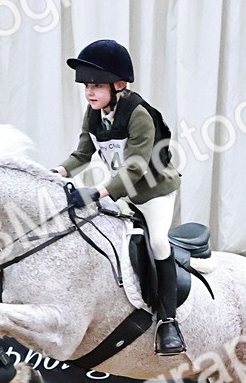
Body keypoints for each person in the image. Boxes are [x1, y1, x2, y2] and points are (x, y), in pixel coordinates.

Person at [53, 39, 186, 356]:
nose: (89, 92)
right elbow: (82, 153)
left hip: (153, 193)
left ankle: (168, 321)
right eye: (87, 86)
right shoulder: (94, 113)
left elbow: (136, 167)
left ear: (119, 85)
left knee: (157, 243)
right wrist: (57, 172)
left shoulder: (139, 115)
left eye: (96, 86)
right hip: (120, 192)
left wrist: (98, 192)